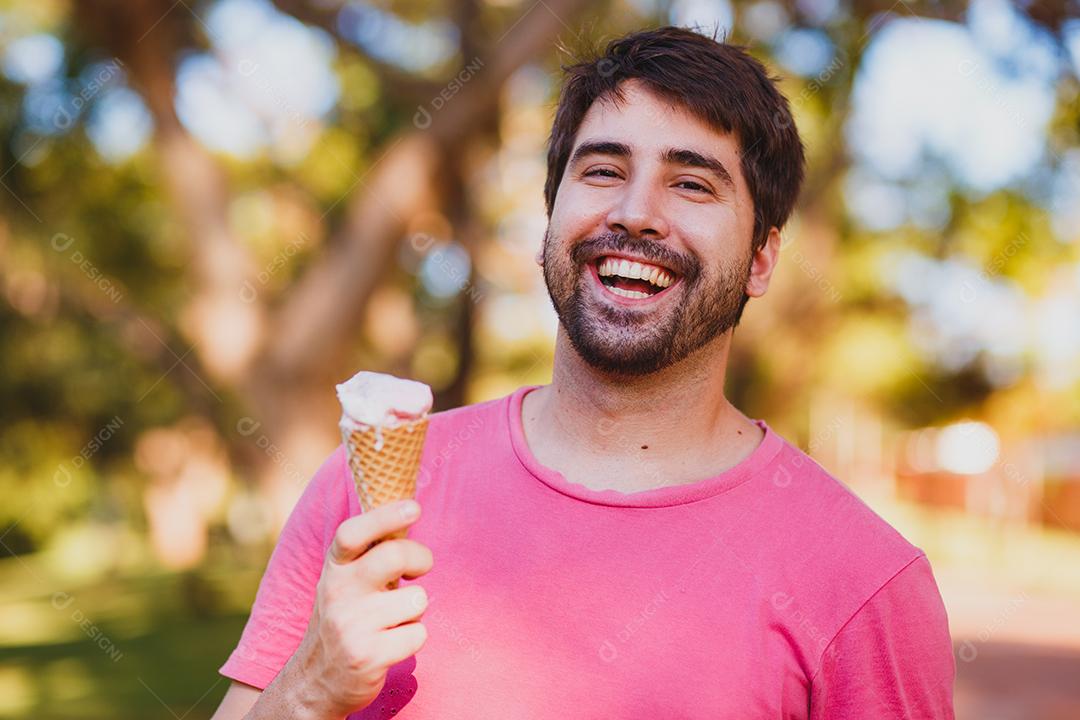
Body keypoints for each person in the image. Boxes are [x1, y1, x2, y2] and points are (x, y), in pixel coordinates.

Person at [211, 25, 956, 720]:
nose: (635, 213)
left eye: (692, 184)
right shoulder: (363, 501)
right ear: (550, 218)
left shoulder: (865, 585)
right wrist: (306, 691)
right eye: (603, 170)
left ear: (761, 259)